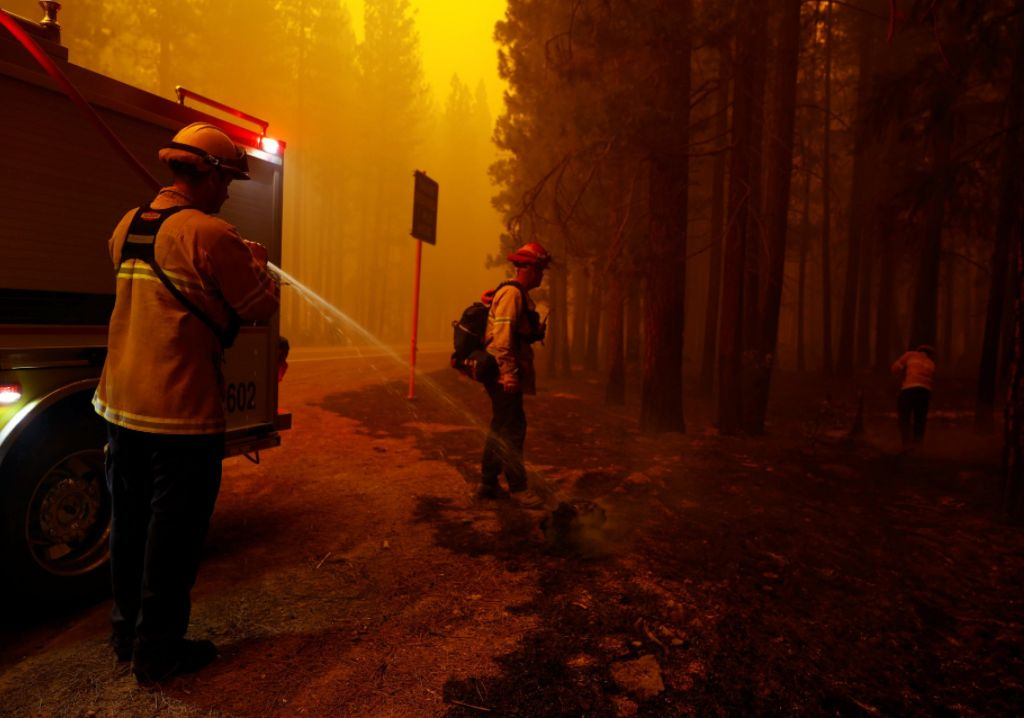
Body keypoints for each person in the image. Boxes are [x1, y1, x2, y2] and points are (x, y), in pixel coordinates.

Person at [93, 122, 280, 683]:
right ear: (211, 173)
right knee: (173, 538)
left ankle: (126, 636)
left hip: (119, 407)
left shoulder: (127, 225)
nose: (230, 192)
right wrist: (258, 263)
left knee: (129, 526)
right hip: (179, 415)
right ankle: (159, 653)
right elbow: (257, 307)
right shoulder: (212, 233)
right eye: (229, 180)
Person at [478, 241, 551, 509]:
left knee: (502, 425)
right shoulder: (512, 294)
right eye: (540, 269)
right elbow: (502, 338)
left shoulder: (520, 296)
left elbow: (515, 334)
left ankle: (488, 483)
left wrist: (533, 333)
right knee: (513, 429)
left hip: (504, 371)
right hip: (502, 373)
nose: (542, 275)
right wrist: (508, 374)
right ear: (528, 268)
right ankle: (518, 488)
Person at [891, 344, 937, 450]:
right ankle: (918, 446)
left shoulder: (910, 355)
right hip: (925, 392)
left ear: (918, 350)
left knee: (904, 416)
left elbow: (894, 369)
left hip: (909, 389)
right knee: (920, 420)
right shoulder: (931, 363)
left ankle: (905, 444)